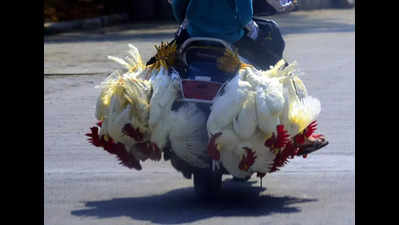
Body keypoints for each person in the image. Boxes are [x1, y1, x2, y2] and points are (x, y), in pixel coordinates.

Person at [169, 0, 328, 154]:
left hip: (193, 37)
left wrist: (193, 22)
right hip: (231, 38)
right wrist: (252, 28)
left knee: (157, 66)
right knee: (283, 72)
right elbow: (245, 15)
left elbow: (178, 6)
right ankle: (302, 136)